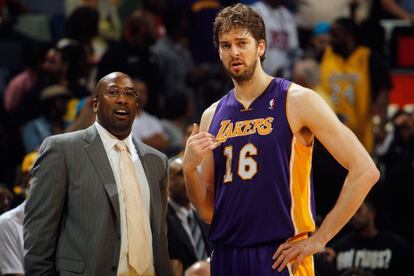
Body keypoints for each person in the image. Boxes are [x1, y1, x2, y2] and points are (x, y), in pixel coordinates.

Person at [182, 4, 379, 275]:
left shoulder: (298, 100)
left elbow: (365, 170)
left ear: (261, 47)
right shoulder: (211, 115)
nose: (234, 52)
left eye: (242, 43)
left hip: (280, 254)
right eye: (226, 45)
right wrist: (189, 168)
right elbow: (206, 211)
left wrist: (320, 238)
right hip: (227, 255)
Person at [24, 72, 171, 276]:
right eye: (113, 92)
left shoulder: (157, 161)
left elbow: (160, 238)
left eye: (130, 94)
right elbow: (38, 235)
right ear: (95, 104)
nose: (122, 99)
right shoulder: (62, 150)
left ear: (137, 106)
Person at [330, 198, 411, 275]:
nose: (353, 215)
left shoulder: (396, 246)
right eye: (349, 212)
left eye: (358, 210)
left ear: (372, 212)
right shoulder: (336, 249)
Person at [167, 158, 211, 275]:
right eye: (181, 174)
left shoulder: (205, 214)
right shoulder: (162, 220)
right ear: (167, 181)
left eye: (192, 172)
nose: (188, 177)